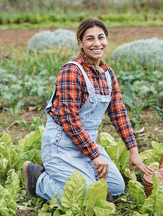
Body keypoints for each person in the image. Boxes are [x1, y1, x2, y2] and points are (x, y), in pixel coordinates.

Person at [22, 18, 154, 202]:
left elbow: (118, 113)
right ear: (81, 43)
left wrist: (133, 151)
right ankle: (38, 180)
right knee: (88, 198)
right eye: (90, 39)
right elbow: (69, 120)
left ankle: (78, 178)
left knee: (116, 187)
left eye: (101, 37)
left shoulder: (108, 73)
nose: (97, 43)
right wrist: (95, 155)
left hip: (86, 146)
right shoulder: (71, 71)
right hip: (61, 147)